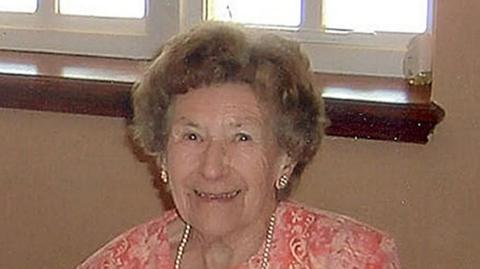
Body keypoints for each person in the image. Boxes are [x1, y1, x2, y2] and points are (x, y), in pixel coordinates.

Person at [77, 22, 400, 269]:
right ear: (162, 156)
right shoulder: (122, 262)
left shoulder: (351, 259)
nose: (212, 168)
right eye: (192, 136)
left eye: (242, 137)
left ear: (286, 157)